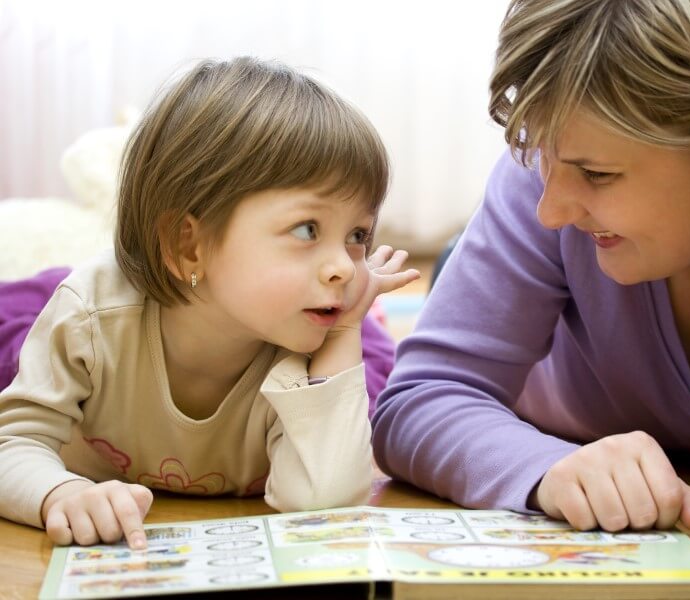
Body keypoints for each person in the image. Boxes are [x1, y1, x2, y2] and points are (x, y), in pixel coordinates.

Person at [372, 0, 690, 544]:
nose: (551, 211)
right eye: (543, 155)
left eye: (598, 173)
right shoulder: (539, 184)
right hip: (529, 389)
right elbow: (420, 400)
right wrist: (547, 469)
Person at [0, 56, 419, 549]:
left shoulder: (312, 342)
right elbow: (15, 443)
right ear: (188, 245)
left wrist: (347, 332)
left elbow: (322, 502)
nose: (346, 267)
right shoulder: (92, 317)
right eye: (307, 229)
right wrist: (60, 492)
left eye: (358, 235)